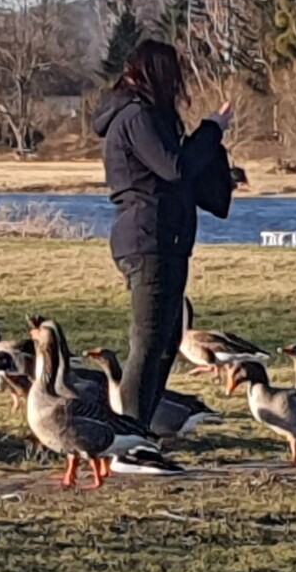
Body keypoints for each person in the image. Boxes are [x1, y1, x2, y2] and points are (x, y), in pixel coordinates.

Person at [90, 40, 234, 426]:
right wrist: (211, 131)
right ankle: (130, 436)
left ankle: (140, 430)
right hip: (148, 240)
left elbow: (178, 171)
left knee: (166, 342)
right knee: (149, 342)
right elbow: (174, 168)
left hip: (165, 241)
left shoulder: (147, 117)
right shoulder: (137, 117)